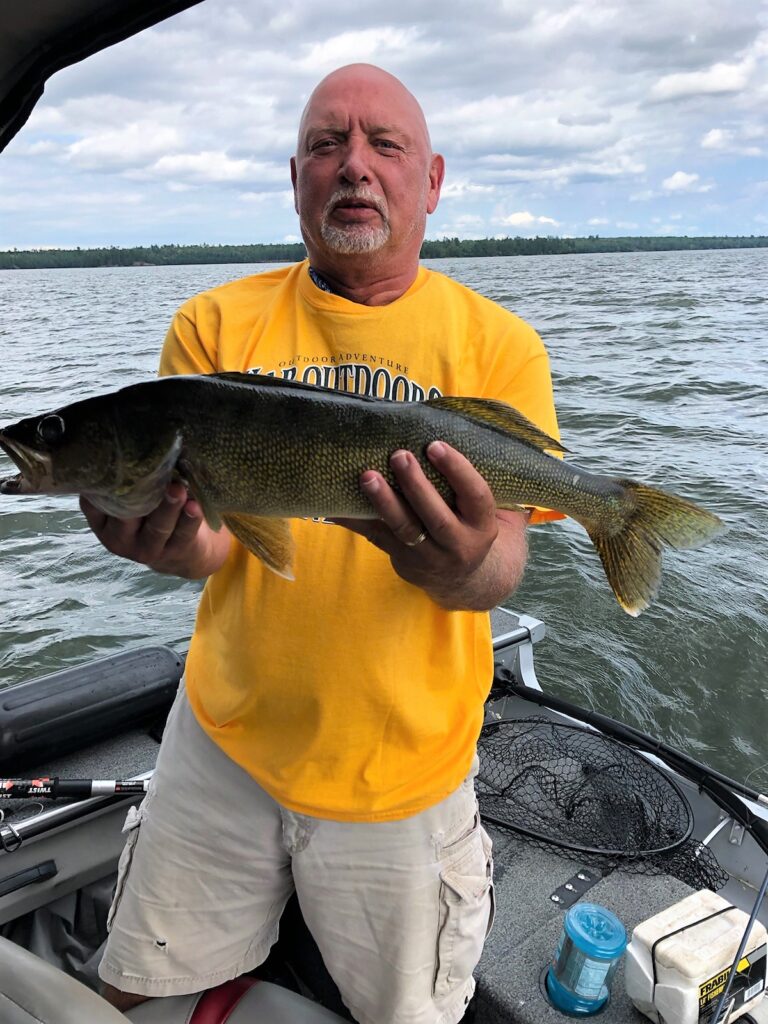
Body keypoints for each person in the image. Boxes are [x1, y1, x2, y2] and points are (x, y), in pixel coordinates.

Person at [84, 63, 561, 1024]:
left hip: (406, 775)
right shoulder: (211, 326)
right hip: (223, 745)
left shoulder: (499, 346)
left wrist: (465, 564)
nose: (354, 167)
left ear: (431, 182)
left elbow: (504, 565)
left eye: (384, 146)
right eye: (325, 146)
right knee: (131, 992)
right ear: (294, 177)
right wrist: (177, 549)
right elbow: (220, 543)